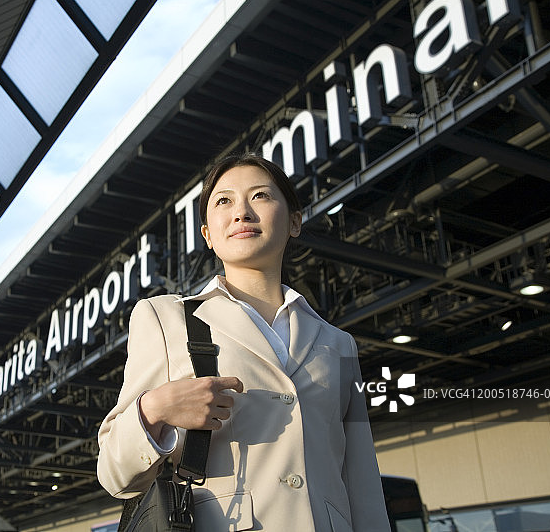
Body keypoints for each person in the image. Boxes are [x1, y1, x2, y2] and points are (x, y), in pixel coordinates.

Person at [97, 153, 390, 531]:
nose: (242, 213)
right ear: (207, 233)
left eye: (261, 197)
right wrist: (154, 409)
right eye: (224, 201)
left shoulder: (339, 344)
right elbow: (114, 475)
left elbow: (362, 481)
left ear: (295, 221)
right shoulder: (164, 318)